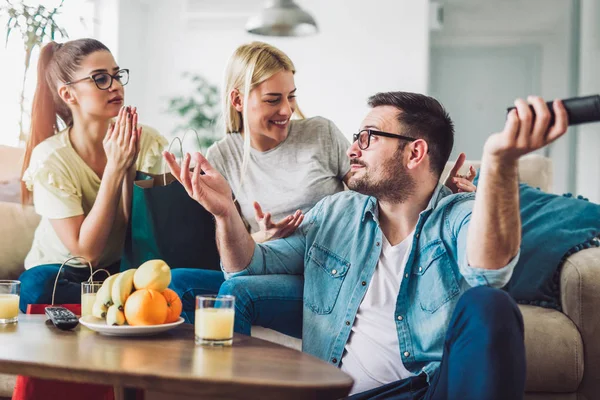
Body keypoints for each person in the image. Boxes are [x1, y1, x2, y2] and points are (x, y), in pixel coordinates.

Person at [166, 91, 568, 399]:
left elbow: (489, 270)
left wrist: (500, 163)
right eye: (356, 136)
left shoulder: (457, 215)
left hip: (425, 390)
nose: (352, 148)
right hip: (338, 390)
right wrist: (224, 214)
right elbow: (247, 268)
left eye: (368, 137)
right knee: (198, 286)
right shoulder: (337, 211)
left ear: (415, 152)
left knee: (490, 304)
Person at [166, 42, 472, 332]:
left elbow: (377, 181)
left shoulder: (319, 133)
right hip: (272, 259)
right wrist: (263, 235)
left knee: (236, 291)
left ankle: (234, 382)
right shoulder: (222, 155)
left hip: (329, 259)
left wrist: (431, 189)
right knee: (179, 283)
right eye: (273, 99)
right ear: (237, 101)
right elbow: (237, 250)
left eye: (291, 96)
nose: (286, 109)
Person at [18, 38, 167, 312]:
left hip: (117, 270)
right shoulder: (51, 159)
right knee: (36, 286)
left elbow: (136, 229)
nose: (115, 85)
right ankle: (104, 305)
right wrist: (114, 168)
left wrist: (128, 166)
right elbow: (86, 252)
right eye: (100, 78)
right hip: (61, 272)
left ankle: (102, 304)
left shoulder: (144, 140)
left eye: (116, 75)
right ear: (68, 94)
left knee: (166, 282)